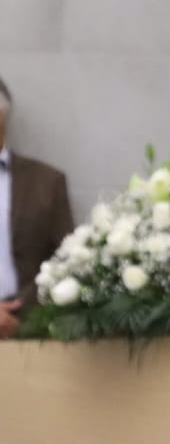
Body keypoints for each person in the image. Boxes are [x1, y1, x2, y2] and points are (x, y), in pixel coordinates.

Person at [0, 75, 74, 339]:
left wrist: (19, 312)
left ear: (3, 115)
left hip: (28, 329)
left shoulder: (47, 182)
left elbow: (66, 257)